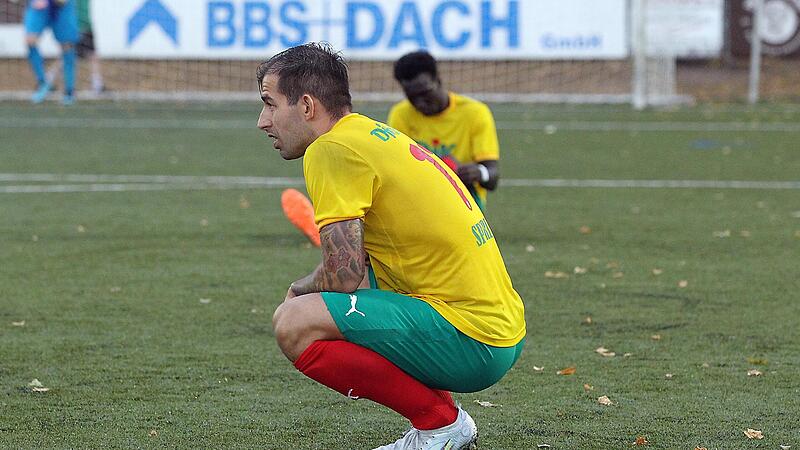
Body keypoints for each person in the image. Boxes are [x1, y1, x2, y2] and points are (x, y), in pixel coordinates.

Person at [260, 43, 526, 449]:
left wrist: (301, 289)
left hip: (474, 339)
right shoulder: (372, 133)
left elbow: (344, 275)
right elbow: (360, 264)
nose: (263, 121)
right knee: (335, 302)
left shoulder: (331, 149)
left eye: (270, 103)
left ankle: (440, 424)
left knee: (293, 322)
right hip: (499, 328)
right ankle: (443, 422)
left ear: (308, 106)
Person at [388, 50, 500, 212]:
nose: (420, 103)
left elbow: (493, 176)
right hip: (422, 198)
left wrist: (479, 173)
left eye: (425, 93)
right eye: (412, 97)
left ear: (438, 80)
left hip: (464, 198)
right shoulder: (400, 114)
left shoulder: (475, 113)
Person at [44, 0, 105, 95]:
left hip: (83, 25)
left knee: (90, 55)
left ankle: (97, 84)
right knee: (68, 56)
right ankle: (47, 81)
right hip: (78, 26)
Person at [24, 0, 79, 105]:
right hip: (41, 4)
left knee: (67, 46)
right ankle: (43, 83)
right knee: (30, 40)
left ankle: (69, 91)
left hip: (62, 7)